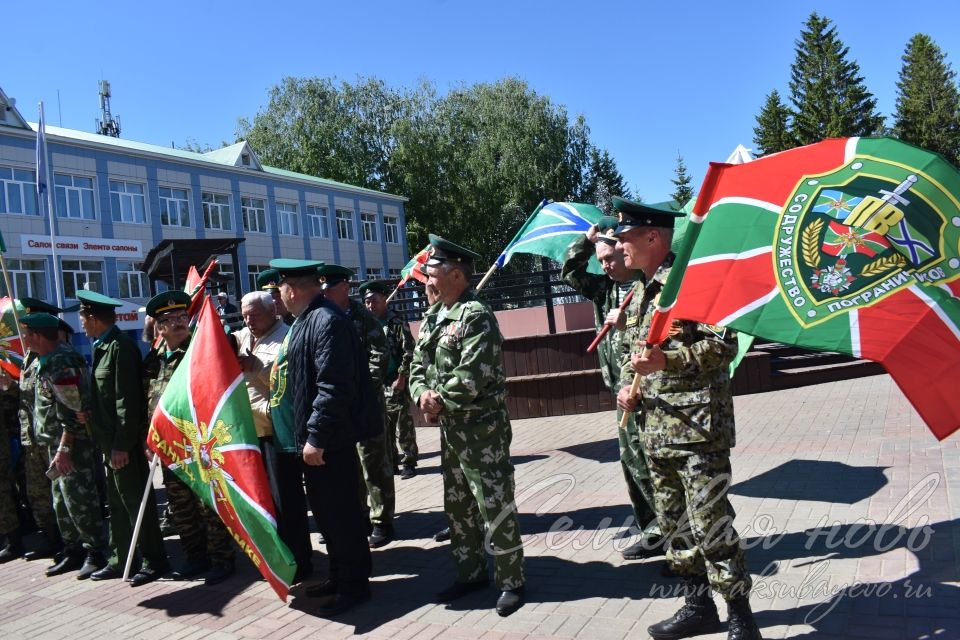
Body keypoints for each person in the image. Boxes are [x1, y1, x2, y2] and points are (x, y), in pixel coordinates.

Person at [612, 196, 762, 640]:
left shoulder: (693, 283)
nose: (619, 247)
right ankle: (697, 607)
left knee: (711, 525)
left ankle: (740, 618)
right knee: (675, 525)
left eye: (625, 238)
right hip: (655, 431)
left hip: (697, 430)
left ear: (653, 236)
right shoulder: (640, 292)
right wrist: (627, 386)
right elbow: (634, 354)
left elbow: (723, 346)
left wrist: (667, 363)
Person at [408, 235, 525, 617]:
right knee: (459, 508)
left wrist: (435, 401)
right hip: (450, 430)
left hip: (481, 431)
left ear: (456, 274)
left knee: (494, 506)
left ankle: (511, 581)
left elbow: (471, 375)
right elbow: (415, 366)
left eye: (433, 272)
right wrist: (422, 393)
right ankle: (470, 573)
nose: (427, 279)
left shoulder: (475, 315)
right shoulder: (434, 316)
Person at [270, 258, 376, 616]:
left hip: (330, 442)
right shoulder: (308, 320)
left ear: (292, 289)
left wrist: (315, 437)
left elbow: (333, 386)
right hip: (316, 442)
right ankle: (339, 574)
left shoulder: (326, 321)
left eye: (280, 288)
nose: (278, 296)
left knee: (341, 515)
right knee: (328, 516)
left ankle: (353, 586)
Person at [561, 216, 663, 561]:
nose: (604, 265)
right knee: (631, 458)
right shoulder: (605, 289)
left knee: (652, 461)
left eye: (609, 258)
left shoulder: (646, 283)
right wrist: (584, 244)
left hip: (648, 386)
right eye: (600, 260)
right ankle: (650, 525)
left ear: (624, 251)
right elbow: (571, 274)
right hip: (621, 388)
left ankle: (665, 532)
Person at [75, 291, 169, 587]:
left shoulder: (121, 347)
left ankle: (154, 560)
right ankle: (119, 559)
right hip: (108, 443)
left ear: (92, 317)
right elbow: (106, 399)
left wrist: (121, 445)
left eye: (83, 317)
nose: (81, 323)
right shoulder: (103, 346)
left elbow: (126, 402)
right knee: (117, 504)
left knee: (134, 502)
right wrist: (90, 414)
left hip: (121, 446)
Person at [145, 291, 235, 586]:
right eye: (170, 319)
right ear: (159, 328)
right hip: (169, 447)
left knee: (206, 504)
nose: (179, 323)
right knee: (181, 506)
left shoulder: (199, 352)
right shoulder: (154, 360)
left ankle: (222, 559)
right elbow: (150, 400)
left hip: (199, 444)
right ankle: (195, 557)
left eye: (183, 317)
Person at [19, 312, 107, 579]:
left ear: (36, 335)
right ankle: (74, 550)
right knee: (61, 501)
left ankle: (95, 551)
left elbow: (74, 410)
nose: (25, 339)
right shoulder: (45, 360)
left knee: (80, 500)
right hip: (54, 444)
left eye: (27, 334)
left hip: (71, 446)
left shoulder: (62, 361)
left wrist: (64, 449)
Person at [235, 291, 312, 582]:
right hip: (246, 431)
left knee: (286, 502)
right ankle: (273, 557)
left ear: (273, 311)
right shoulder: (242, 336)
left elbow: (290, 383)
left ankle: (299, 562)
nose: (248, 320)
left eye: (254, 314)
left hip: (275, 433)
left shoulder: (287, 338)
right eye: (244, 314)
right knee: (259, 501)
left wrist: (256, 368)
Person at [319, 264, 394, 549]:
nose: (325, 295)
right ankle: (359, 515)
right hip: (340, 405)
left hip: (365, 404)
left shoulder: (363, 318)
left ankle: (382, 520)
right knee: (349, 464)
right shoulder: (324, 316)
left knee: (374, 462)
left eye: (330, 290)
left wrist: (363, 387)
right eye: (323, 290)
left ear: (344, 289)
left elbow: (380, 353)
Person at [361, 280, 419, 480]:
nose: (370, 305)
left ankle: (409, 461)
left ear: (384, 299)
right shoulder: (366, 324)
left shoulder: (396, 322)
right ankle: (392, 461)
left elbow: (409, 351)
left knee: (402, 424)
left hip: (396, 380)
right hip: (377, 382)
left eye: (374, 301)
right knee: (384, 426)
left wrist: (402, 377)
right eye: (367, 302)